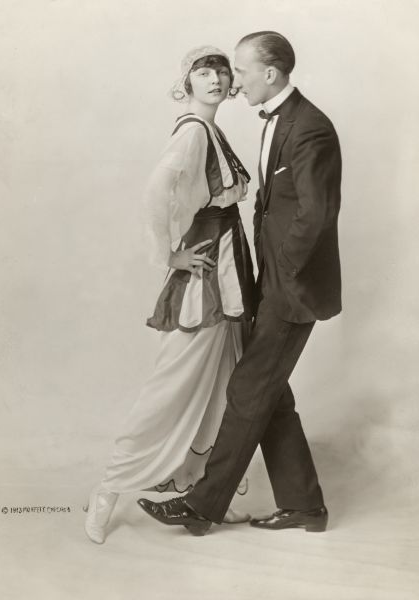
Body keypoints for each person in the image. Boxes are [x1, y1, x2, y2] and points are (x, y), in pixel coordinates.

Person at [138, 31, 342, 536]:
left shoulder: (310, 127)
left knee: (250, 388)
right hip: (272, 282)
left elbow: (316, 215)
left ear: (269, 73)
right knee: (272, 394)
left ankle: (202, 507)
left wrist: (280, 279)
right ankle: (305, 507)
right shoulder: (281, 120)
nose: (235, 80)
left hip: (290, 289)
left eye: (242, 70)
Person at [84, 46, 256, 544]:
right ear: (187, 81)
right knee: (171, 386)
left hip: (228, 268)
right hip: (205, 274)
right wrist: (169, 257)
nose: (217, 79)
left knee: (227, 381)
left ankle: (196, 481)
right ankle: (108, 488)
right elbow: (156, 191)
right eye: (205, 72)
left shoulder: (211, 130)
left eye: (223, 72)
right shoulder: (193, 131)